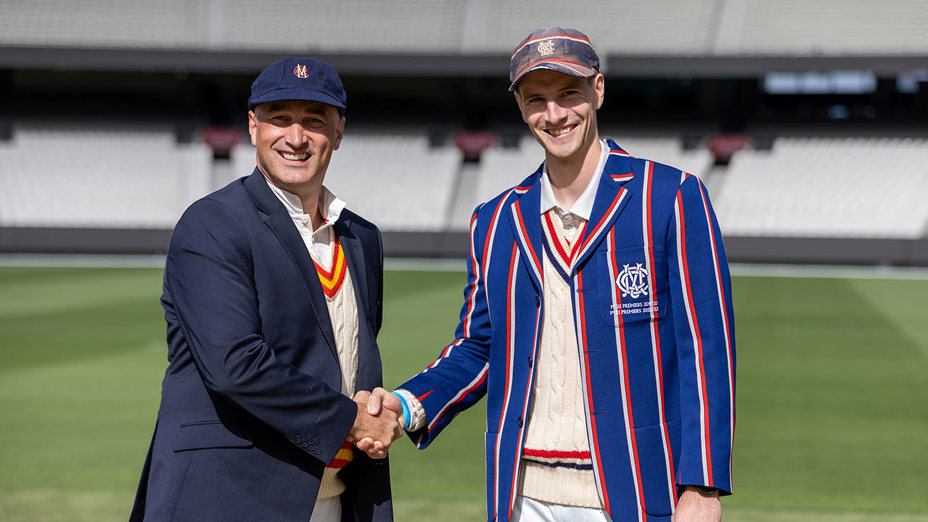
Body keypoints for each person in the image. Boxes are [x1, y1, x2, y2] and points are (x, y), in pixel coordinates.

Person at [360, 28, 735, 522]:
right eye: (537, 99)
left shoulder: (669, 196)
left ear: (597, 90)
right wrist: (406, 405)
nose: (554, 115)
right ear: (519, 106)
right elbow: (479, 348)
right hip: (521, 495)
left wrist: (703, 487)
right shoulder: (494, 221)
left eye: (568, 94)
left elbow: (707, 350)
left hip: (637, 492)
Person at [130, 57, 401, 522]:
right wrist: (354, 419)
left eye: (314, 121)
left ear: (338, 133)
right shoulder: (212, 223)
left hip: (335, 497)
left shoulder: (361, 237)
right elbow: (235, 364)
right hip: (230, 497)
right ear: (253, 127)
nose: (296, 138)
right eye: (279, 119)